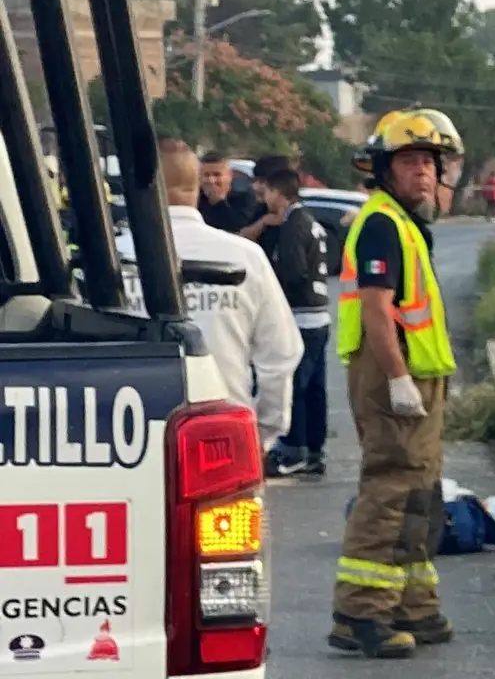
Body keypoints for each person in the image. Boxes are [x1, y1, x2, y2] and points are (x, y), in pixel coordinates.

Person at [328, 111, 457, 658]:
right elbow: (378, 311)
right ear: (384, 170)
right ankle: (359, 613)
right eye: (409, 162)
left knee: (419, 494)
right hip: (391, 377)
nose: (423, 173)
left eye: (429, 162)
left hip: (417, 378)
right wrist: (400, 379)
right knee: (388, 490)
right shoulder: (381, 223)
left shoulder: (405, 224)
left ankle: (412, 606)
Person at [116, 139, 303, 446]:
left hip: (131, 442)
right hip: (224, 437)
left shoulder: (110, 260)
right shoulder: (245, 257)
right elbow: (281, 354)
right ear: (197, 184)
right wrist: (262, 434)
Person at [259, 168, 332, 478]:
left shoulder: (292, 225)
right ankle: (314, 449)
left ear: (280, 192)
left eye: (266, 191)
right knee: (315, 388)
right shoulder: (310, 221)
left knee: (296, 387)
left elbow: (294, 271)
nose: (264, 197)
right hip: (319, 315)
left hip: (301, 315)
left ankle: (294, 450)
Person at [197, 150, 262, 234]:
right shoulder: (195, 198)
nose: (211, 180)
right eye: (206, 175)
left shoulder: (245, 196)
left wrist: (219, 202)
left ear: (230, 175)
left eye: (217, 175)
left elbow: (237, 226)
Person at [238, 154, 292, 247]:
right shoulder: (260, 210)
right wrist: (262, 223)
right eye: (254, 180)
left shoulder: (296, 220)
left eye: (262, 182)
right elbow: (241, 240)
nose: (255, 187)